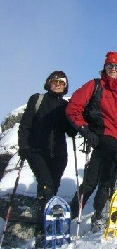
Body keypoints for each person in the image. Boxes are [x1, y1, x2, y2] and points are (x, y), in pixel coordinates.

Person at [66, 51, 117, 232]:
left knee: (96, 180)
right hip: (102, 136)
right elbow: (73, 107)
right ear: (105, 67)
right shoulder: (95, 85)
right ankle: (115, 199)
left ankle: (94, 215)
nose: (113, 69)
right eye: (110, 66)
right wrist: (84, 129)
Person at [18, 71, 76, 240]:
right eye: (55, 81)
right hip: (37, 151)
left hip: (58, 156)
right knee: (46, 186)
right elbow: (25, 125)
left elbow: (71, 131)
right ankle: (42, 230)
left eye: (62, 82)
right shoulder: (37, 99)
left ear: (65, 86)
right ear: (49, 82)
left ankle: (46, 228)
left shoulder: (65, 106)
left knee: (52, 190)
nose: (58, 84)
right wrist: (24, 146)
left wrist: (76, 114)